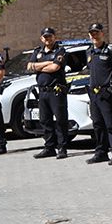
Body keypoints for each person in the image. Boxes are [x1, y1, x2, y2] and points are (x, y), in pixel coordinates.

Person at [84, 22, 112, 166]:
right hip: (94, 94)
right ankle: (101, 153)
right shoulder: (89, 52)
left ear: (103, 34)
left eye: (97, 33)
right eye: (92, 33)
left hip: (107, 94)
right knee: (98, 124)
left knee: (111, 125)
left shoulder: (110, 51)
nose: (94, 35)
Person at [29, 27, 70, 159]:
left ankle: (62, 148)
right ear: (42, 38)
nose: (48, 39)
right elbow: (29, 66)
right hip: (42, 91)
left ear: (54, 37)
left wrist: (38, 66)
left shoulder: (60, 51)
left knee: (60, 120)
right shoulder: (38, 51)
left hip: (56, 91)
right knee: (45, 121)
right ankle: (49, 147)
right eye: (45, 37)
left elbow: (55, 67)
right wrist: (47, 63)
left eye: (50, 36)